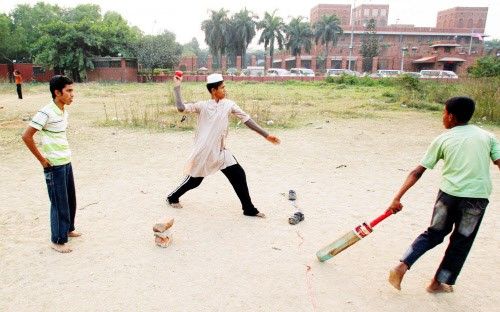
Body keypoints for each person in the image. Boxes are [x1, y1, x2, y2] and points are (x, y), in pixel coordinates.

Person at [386, 96, 500, 293]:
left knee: (433, 234)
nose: (443, 117)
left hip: (448, 197)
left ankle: (402, 265)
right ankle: (437, 283)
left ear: (452, 117)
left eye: (444, 113)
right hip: (476, 200)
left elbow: (417, 172)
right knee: (461, 242)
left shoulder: (443, 139)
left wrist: (397, 198)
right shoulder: (488, 137)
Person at [167, 73, 280, 218]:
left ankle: (249, 209)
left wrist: (266, 135)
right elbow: (181, 108)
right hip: (204, 152)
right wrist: (177, 87)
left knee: (239, 174)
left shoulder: (229, 104)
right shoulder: (202, 106)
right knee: (195, 181)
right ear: (213, 90)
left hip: (221, 152)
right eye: (222, 88)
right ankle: (172, 197)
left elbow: (246, 119)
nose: (225, 90)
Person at [21, 75, 81, 253]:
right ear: (57, 92)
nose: (72, 95)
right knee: (58, 202)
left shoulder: (63, 111)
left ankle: (68, 229)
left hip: (65, 161)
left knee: (70, 199)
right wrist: (42, 160)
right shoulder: (45, 112)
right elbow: (26, 136)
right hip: (53, 165)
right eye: (68, 91)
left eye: (72, 91)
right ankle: (57, 240)